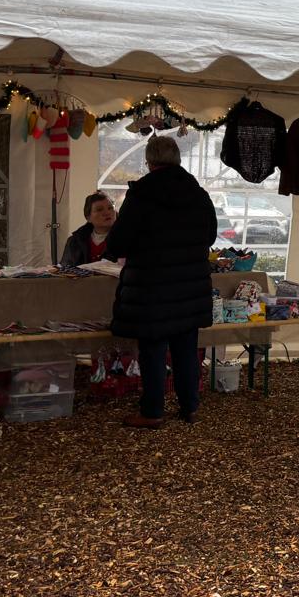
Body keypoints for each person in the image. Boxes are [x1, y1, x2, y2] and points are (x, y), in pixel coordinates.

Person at [104, 135, 217, 427]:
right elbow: (210, 236)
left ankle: (152, 412)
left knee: (153, 350)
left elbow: (118, 242)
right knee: (186, 350)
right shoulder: (198, 194)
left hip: (152, 286)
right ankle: (190, 407)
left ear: (149, 162)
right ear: (178, 159)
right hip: (190, 286)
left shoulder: (141, 195)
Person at [60, 191, 118, 266]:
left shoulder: (126, 238)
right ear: (88, 218)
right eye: (99, 209)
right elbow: (65, 268)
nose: (107, 213)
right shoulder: (75, 241)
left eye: (110, 208)